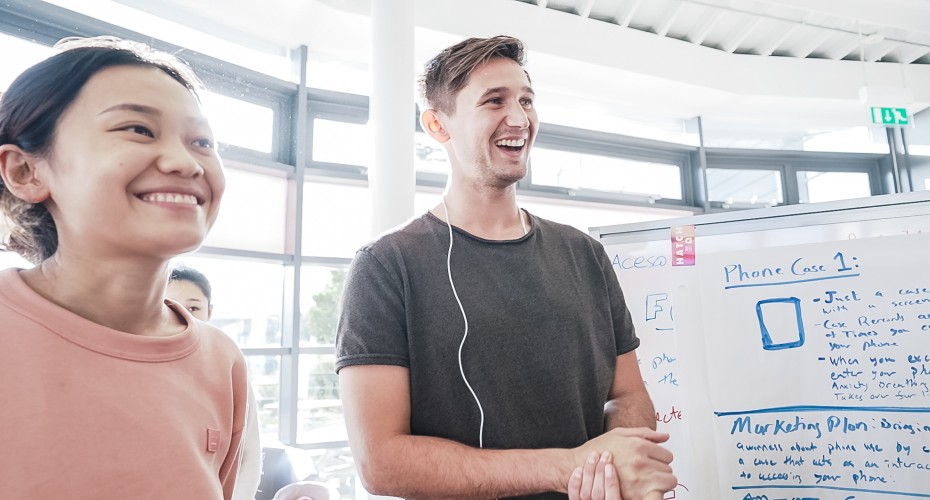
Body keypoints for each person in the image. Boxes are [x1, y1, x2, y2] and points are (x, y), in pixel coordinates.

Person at [335, 35, 677, 499]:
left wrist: (609, 463)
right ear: (438, 125)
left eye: (526, 101)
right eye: (494, 101)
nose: (519, 119)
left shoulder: (585, 255)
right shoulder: (386, 266)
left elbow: (628, 394)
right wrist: (564, 467)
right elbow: (381, 462)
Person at [0, 36, 248, 499]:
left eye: (202, 141)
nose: (184, 161)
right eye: (137, 129)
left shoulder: (221, 360)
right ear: (25, 172)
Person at [166, 265, 263, 500]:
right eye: (169, 305)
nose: (183, 314)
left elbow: (249, 456)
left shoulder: (228, 365)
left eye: (193, 307)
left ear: (209, 311)